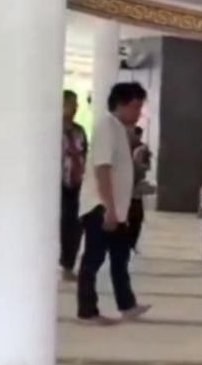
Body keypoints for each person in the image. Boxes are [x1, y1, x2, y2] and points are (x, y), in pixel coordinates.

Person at [77, 82, 151, 325]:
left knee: (120, 257)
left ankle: (127, 305)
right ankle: (87, 312)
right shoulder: (107, 126)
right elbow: (103, 169)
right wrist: (108, 208)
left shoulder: (120, 129)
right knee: (93, 259)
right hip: (101, 207)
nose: (139, 112)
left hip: (116, 209)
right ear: (120, 104)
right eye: (135, 106)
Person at [60, 90, 88, 282]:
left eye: (75, 103)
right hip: (57, 184)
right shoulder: (52, 129)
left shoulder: (79, 130)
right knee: (60, 225)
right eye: (70, 103)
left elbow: (85, 153)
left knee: (75, 225)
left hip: (76, 183)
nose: (75, 107)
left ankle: (68, 265)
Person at [127, 126, 153, 254]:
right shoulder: (125, 146)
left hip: (136, 187)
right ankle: (126, 243)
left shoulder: (143, 149)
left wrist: (140, 163)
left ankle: (132, 243)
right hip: (125, 187)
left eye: (138, 135)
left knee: (137, 218)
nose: (136, 137)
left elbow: (147, 167)